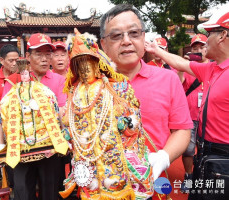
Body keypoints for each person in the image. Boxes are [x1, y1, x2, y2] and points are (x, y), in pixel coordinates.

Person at [100, 4, 193, 199]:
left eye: (134, 33)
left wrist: (163, 158)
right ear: (103, 44)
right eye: (116, 36)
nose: (127, 41)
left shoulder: (168, 79)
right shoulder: (90, 84)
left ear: (143, 38)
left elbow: (182, 129)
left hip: (153, 181)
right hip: (103, 184)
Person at [60, 28, 154, 200]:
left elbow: (134, 118)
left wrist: (126, 124)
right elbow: (67, 121)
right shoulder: (74, 93)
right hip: (87, 162)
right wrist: (67, 132)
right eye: (79, 68)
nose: (84, 71)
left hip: (114, 157)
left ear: (97, 66)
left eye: (87, 66)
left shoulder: (116, 87)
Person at [145, 10, 229, 199]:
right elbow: (181, 64)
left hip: (224, 159)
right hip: (206, 156)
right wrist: (156, 50)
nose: (206, 41)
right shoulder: (211, 69)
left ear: (223, 35)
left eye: (210, 34)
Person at [0, 59, 68, 200]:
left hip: (46, 144)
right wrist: (0, 145)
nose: (24, 76)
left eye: (26, 73)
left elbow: (57, 110)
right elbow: (2, 113)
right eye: (21, 74)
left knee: (50, 189)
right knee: (22, 190)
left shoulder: (45, 89)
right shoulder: (11, 87)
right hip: (20, 147)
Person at [180, 33, 210, 193]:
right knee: (188, 150)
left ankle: (205, 176)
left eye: (201, 47)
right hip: (190, 117)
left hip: (209, 119)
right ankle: (188, 175)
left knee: (207, 150)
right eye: (195, 48)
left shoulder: (215, 67)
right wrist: (181, 66)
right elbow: (179, 84)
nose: (198, 51)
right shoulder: (188, 69)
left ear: (208, 48)